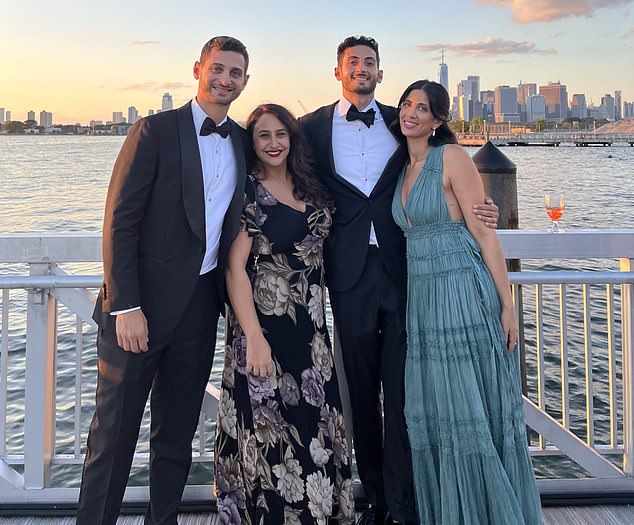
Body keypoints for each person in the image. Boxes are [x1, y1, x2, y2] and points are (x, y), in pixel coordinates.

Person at [299, 36, 499, 525]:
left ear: (380, 74)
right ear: (338, 71)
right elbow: (273, 162)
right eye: (353, 63)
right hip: (347, 274)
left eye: (370, 63)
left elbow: (441, 162)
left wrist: (483, 208)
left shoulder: (400, 118)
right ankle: (375, 499)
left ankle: (406, 499)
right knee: (360, 391)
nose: (361, 69)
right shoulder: (309, 128)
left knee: (405, 388)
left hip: (406, 269)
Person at [77, 36, 250, 525]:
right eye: (218, 69)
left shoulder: (241, 140)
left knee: (174, 436)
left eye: (235, 73)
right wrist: (124, 305)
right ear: (198, 69)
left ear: (244, 82)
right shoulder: (153, 131)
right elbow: (120, 222)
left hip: (199, 310)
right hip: (138, 311)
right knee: (112, 438)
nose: (225, 79)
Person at [391, 79, 543, 524]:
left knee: (469, 405)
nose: (411, 113)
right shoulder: (401, 166)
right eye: (406, 105)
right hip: (423, 299)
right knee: (438, 408)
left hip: (461, 291)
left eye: (422, 108)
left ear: (438, 119)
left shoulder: (451, 157)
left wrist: (507, 304)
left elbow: (485, 234)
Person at [214, 103, 355, 524]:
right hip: (263, 330)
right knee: (268, 432)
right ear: (252, 144)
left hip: (311, 334)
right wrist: (254, 339)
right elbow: (233, 268)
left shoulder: (311, 187)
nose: (273, 143)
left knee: (312, 423)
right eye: (263, 136)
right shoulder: (248, 193)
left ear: (292, 138)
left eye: (280, 134)